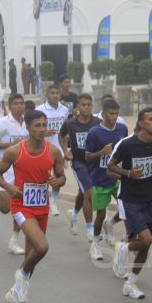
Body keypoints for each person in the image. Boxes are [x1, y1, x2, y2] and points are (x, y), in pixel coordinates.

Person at [0, 109, 66, 303]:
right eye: (37, 126)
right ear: (28, 128)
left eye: (44, 125)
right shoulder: (15, 151)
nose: (42, 129)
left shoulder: (53, 151)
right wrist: (8, 188)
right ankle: (21, 275)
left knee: (31, 257)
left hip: (42, 207)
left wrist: (57, 181)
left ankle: (15, 297)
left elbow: (62, 177)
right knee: (42, 247)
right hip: (21, 206)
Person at [107, 107, 152, 299]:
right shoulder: (127, 145)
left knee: (148, 241)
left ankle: (130, 282)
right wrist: (127, 173)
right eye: (151, 119)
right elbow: (110, 166)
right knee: (146, 240)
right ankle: (124, 249)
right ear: (141, 123)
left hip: (149, 197)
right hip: (130, 199)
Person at [84, 99, 128, 260]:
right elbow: (87, 157)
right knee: (101, 214)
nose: (114, 117)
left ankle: (112, 225)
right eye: (111, 114)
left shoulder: (122, 128)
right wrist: (101, 152)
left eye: (116, 113)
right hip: (99, 179)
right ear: (103, 114)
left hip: (118, 178)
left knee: (127, 208)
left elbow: (126, 150)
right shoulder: (94, 132)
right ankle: (95, 244)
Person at [0, 93, 29, 255]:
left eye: (21, 103)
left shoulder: (28, 123)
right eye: (16, 103)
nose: (19, 106)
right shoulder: (3, 123)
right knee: (5, 208)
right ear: (10, 106)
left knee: (19, 208)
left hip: (23, 172)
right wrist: (10, 144)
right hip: (6, 172)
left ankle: (13, 241)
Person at [59, 93, 101, 241]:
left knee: (83, 192)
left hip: (94, 162)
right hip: (79, 162)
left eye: (89, 105)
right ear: (77, 107)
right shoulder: (70, 123)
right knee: (88, 192)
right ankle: (90, 229)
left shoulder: (98, 122)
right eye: (83, 105)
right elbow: (61, 136)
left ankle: (74, 213)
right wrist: (65, 151)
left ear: (92, 106)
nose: (86, 107)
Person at [36, 85, 69, 216]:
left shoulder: (64, 109)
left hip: (58, 149)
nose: (55, 96)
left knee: (59, 177)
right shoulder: (40, 110)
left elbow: (65, 128)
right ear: (47, 95)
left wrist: (66, 140)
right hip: (43, 148)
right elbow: (33, 129)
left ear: (60, 95)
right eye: (52, 93)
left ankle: (53, 202)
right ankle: (41, 202)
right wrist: (44, 132)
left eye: (57, 93)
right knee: (42, 178)